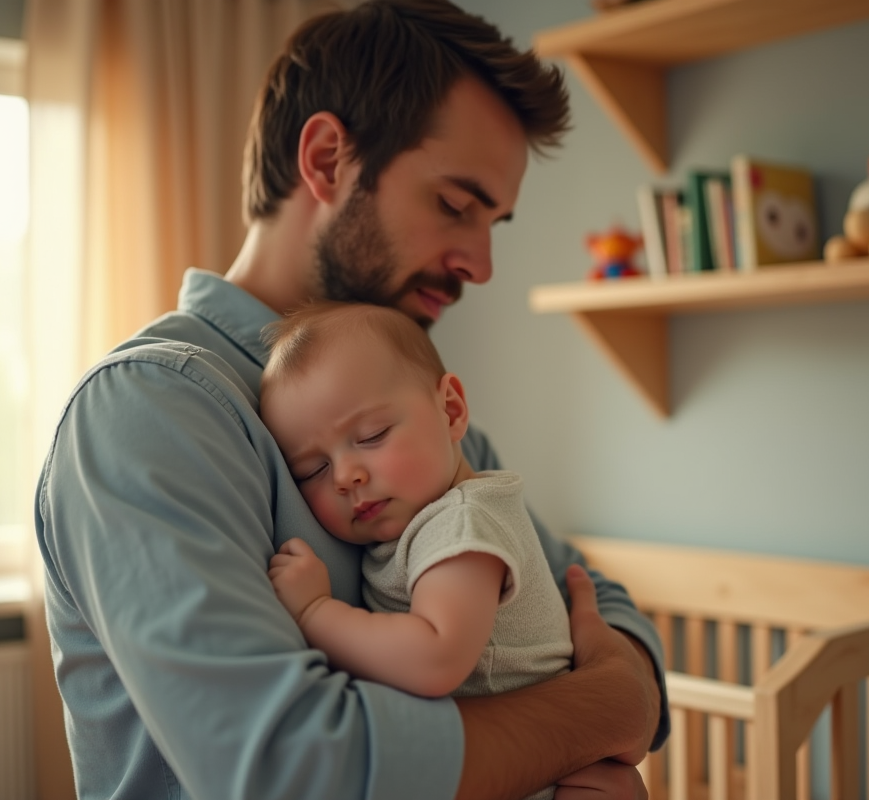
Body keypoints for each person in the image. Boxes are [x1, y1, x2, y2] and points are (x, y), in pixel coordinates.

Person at [34, 2, 670, 799]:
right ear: (328, 159)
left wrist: (628, 684)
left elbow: (588, 596)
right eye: (455, 205)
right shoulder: (150, 414)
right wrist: (603, 711)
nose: (481, 265)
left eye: (494, 223)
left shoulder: (431, 428)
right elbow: (300, 772)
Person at [262, 302, 575, 800]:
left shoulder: (461, 522)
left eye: (371, 436)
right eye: (313, 470)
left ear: (451, 411)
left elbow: (436, 657)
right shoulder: (421, 520)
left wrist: (315, 611)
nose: (345, 476)